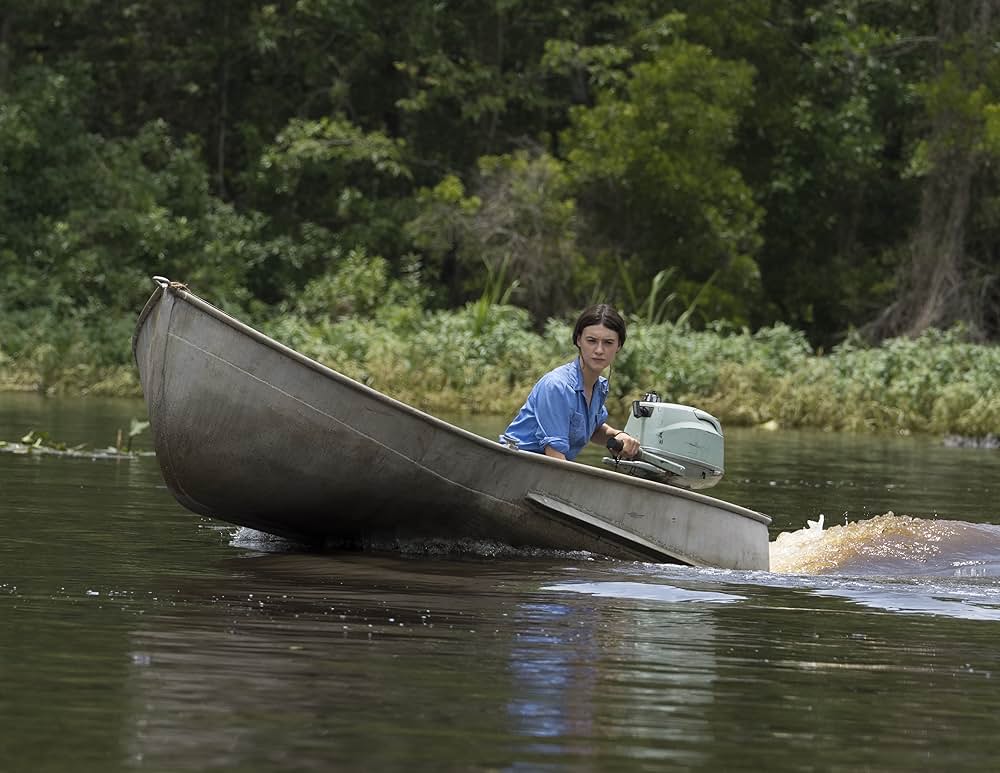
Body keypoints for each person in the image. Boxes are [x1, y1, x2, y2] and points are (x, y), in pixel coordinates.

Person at [501, 304, 641, 461]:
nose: (599, 350)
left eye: (608, 342)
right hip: (514, 464)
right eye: (592, 341)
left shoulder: (600, 387)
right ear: (579, 340)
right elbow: (555, 457)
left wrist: (618, 435)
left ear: (619, 346)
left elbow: (592, 430)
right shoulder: (556, 386)